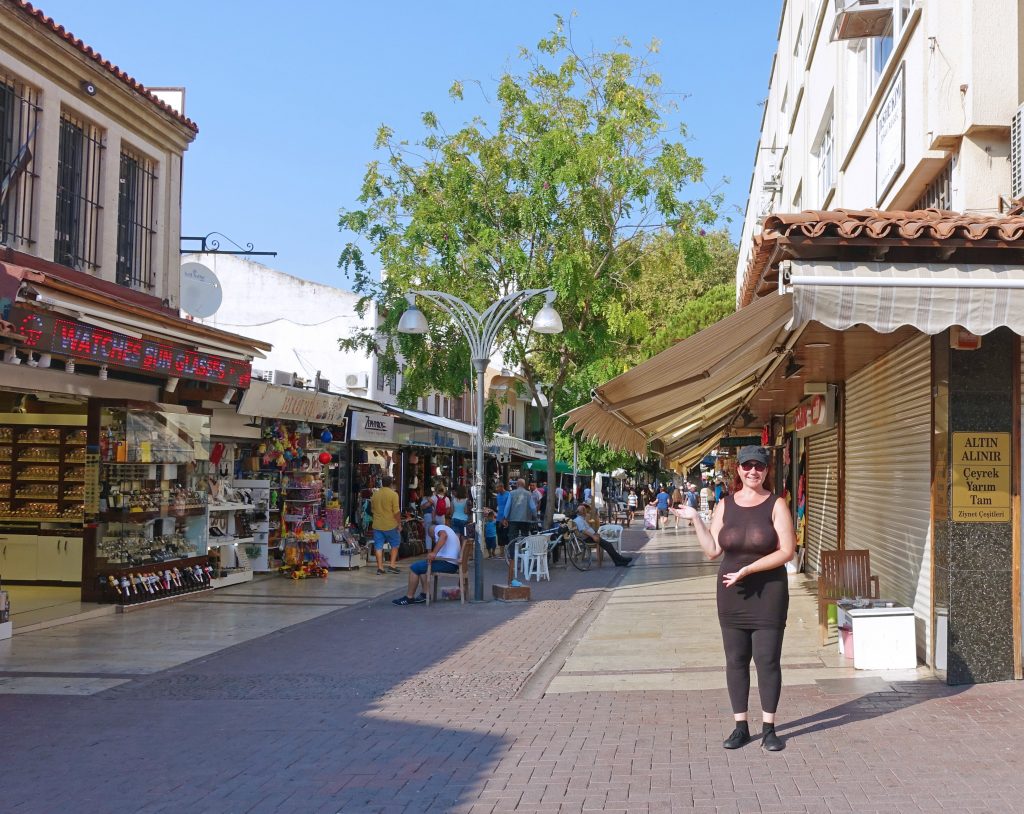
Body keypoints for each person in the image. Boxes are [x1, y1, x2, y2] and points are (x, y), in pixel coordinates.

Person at [672, 445, 796, 752]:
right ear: (738, 470)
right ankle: (741, 726)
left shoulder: (776, 504)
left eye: (759, 466)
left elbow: (786, 551)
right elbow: (713, 550)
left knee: (767, 660)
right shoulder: (725, 505)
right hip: (732, 591)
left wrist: (748, 569)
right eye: (747, 465)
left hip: (768, 592)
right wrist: (695, 521)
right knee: (736, 660)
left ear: (767, 470)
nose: (753, 470)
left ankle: (769, 728)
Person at [392, 521, 463, 606]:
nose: (433, 539)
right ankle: (425, 594)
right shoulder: (448, 529)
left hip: (448, 563)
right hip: (452, 563)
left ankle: (409, 597)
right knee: (422, 567)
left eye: (432, 537)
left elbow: (443, 536)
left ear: (431, 531)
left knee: (414, 568)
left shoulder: (437, 529)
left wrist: (434, 553)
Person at [370, 476, 402, 575]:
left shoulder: (375, 494)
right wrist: (399, 524)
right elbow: (396, 511)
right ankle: (392, 565)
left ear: (382, 483)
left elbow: (372, 509)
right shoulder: (394, 494)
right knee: (395, 544)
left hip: (377, 524)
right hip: (391, 524)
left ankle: (380, 567)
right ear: (391, 483)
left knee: (378, 546)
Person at [494, 481, 510, 556]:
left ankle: (507, 551)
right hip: (498, 517)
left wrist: (505, 518)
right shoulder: (498, 496)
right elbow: (499, 507)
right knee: (499, 534)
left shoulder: (508, 495)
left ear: (501, 487)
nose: (496, 489)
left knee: (506, 535)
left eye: (497, 487)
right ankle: (501, 552)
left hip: (506, 518)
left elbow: (509, 507)